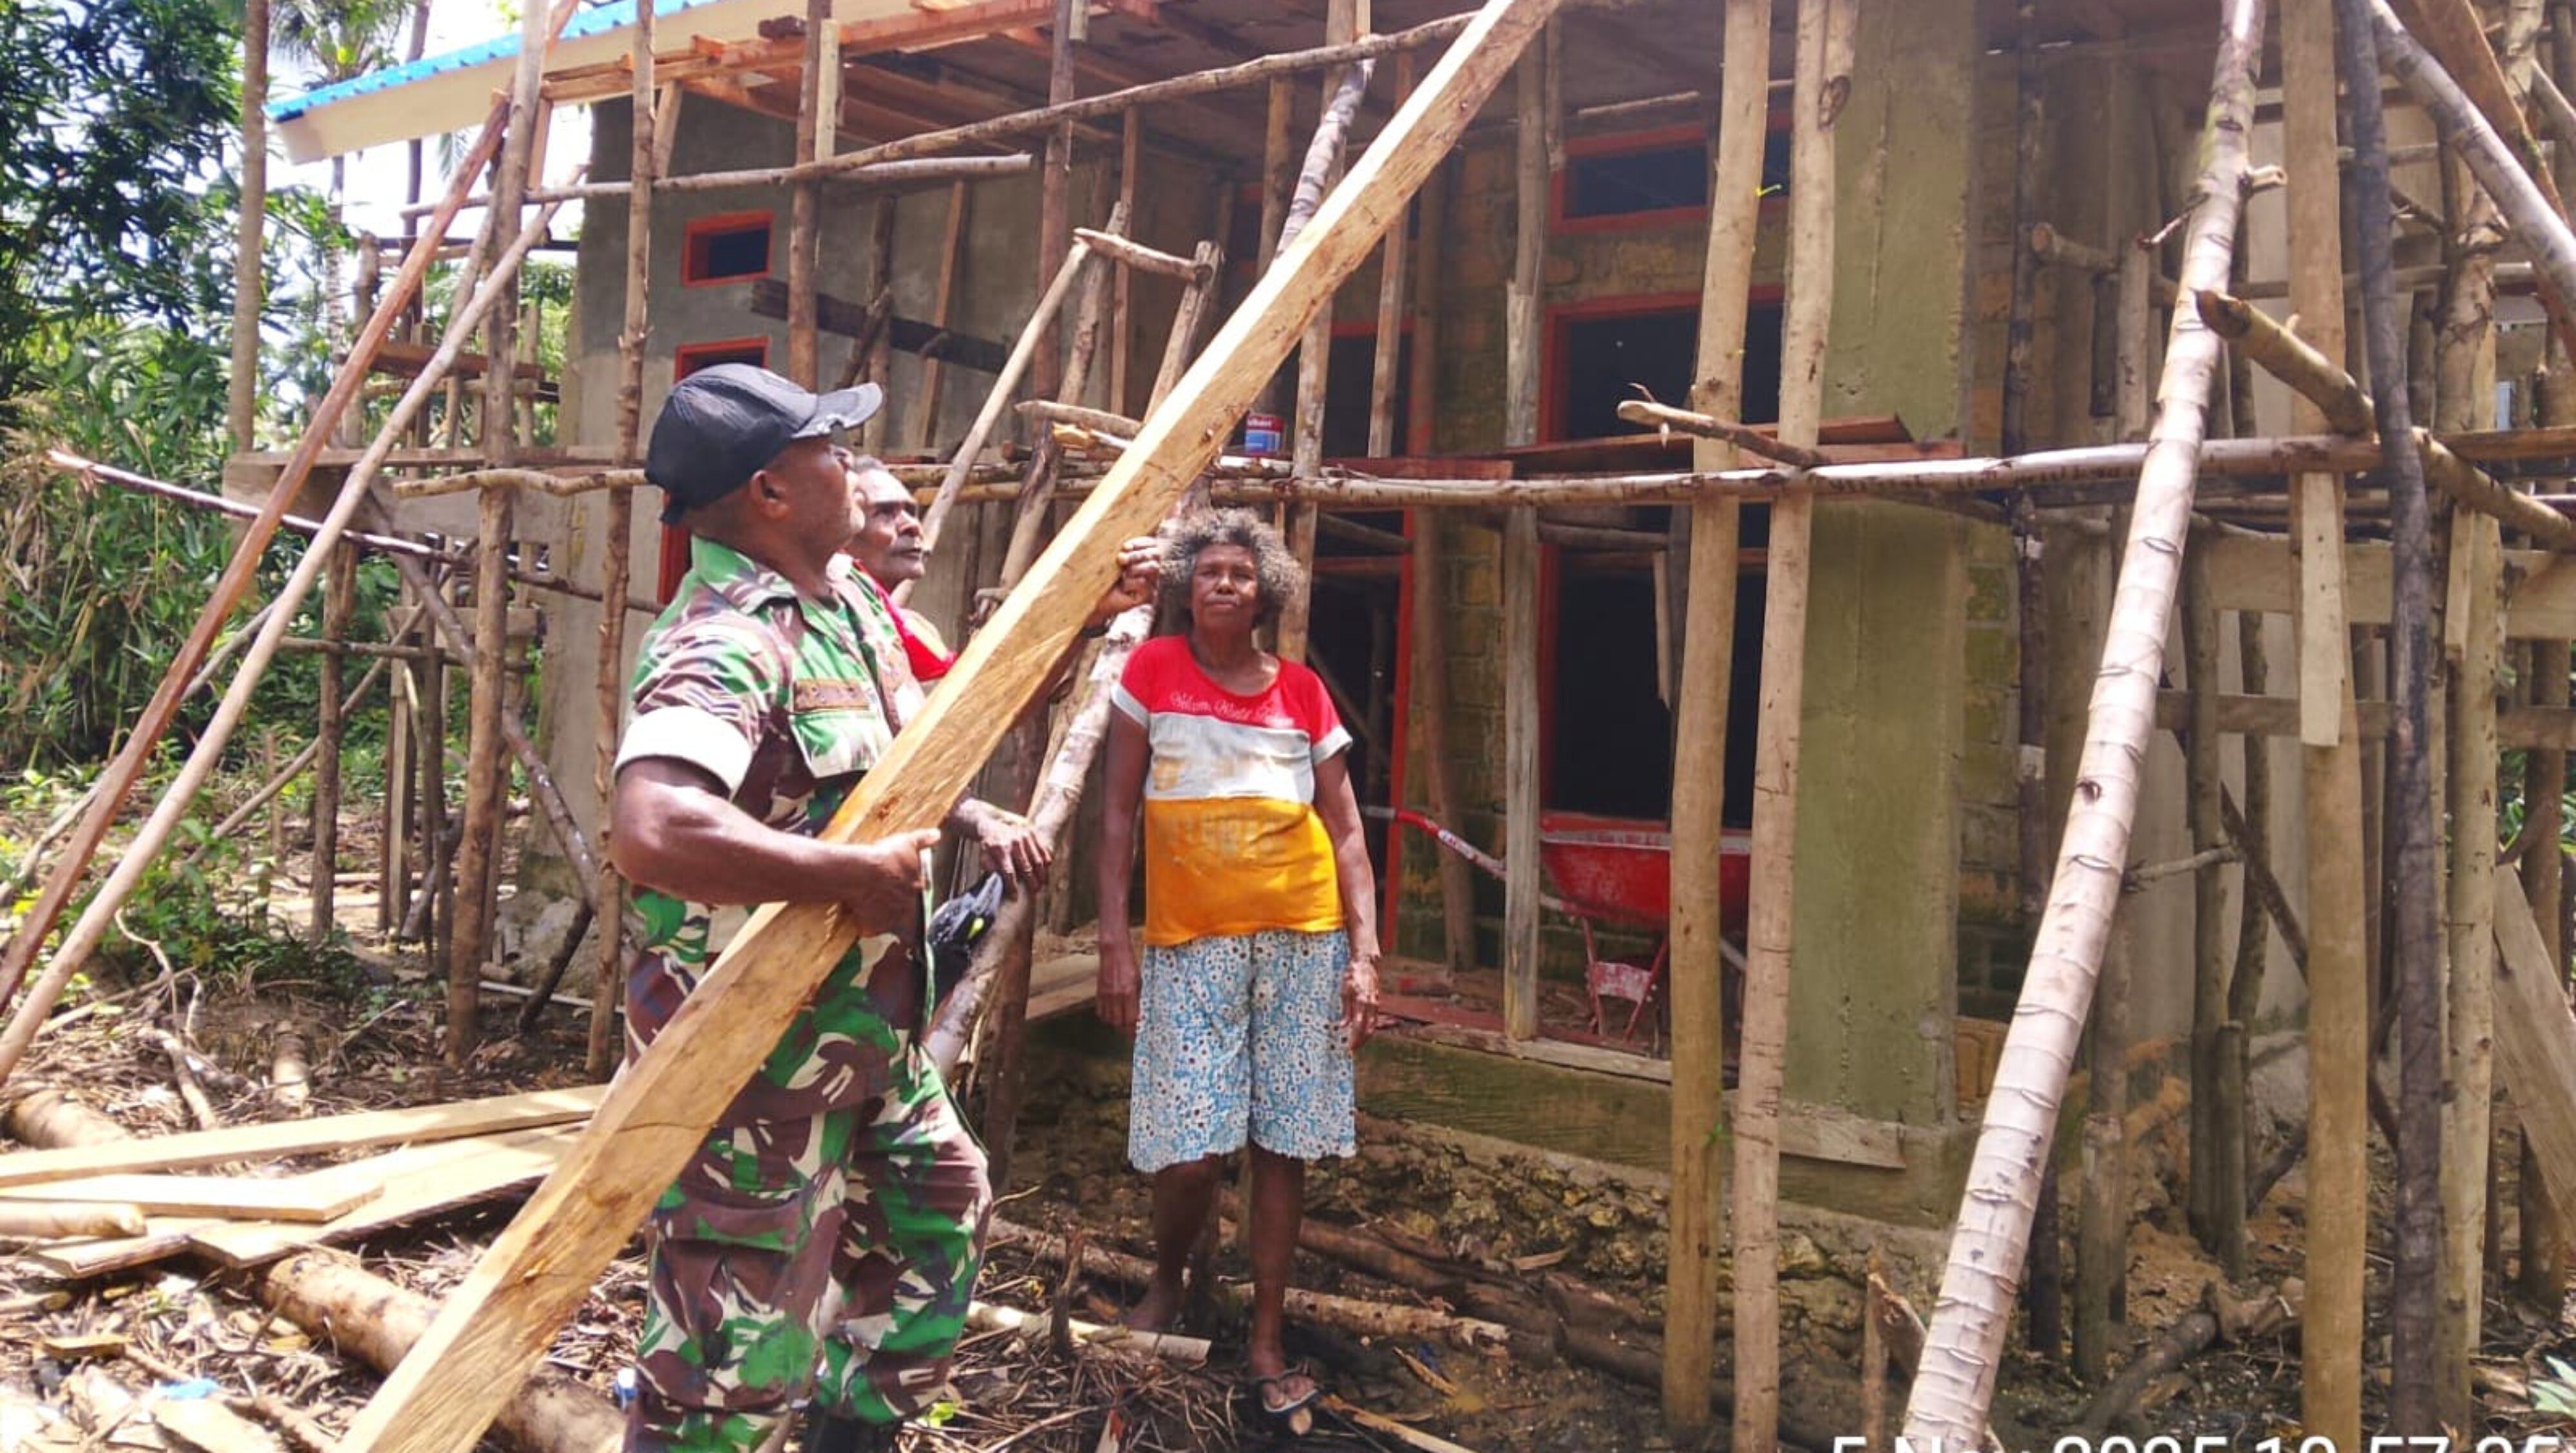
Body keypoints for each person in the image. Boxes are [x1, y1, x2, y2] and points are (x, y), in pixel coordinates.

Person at [610, 363, 1014, 1453]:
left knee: (940, 1212)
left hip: (863, 1036)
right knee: (738, 1338)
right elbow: (652, 826)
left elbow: (931, 748)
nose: (854, 463)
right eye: (830, 448)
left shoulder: (851, 614)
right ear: (770, 493)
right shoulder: (728, 637)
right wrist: (842, 874)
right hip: (757, 1060)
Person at [1093, 507, 1383, 1430]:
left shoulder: (1300, 691)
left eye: (1242, 574)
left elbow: (1344, 828)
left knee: (1282, 1142)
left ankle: (1264, 1334)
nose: (1225, 583)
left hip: (1303, 939)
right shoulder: (1152, 673)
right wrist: (1114, 939)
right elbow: (1114, 818)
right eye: (1210, 570)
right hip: (1190, 943)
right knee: (1189, 1149)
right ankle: (1171, 1280)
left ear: (1268, 593)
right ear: (1187, 583)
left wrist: (1365, 952)